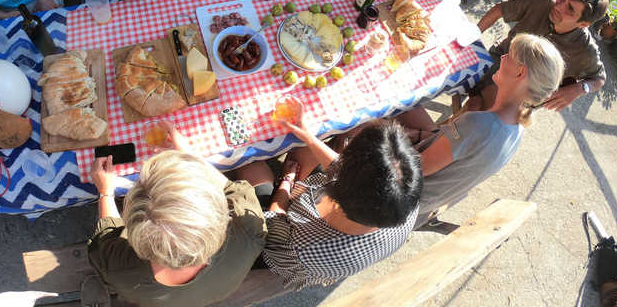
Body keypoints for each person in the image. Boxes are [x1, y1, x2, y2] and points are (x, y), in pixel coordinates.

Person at [234, 99, 423, 290]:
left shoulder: (301, 246)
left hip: (277, 245)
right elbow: (342, 168)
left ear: (339, 187)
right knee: (305, 149)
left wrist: (286, 180)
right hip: (315, 229)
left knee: (249, 161)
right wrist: (307, 135)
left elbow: (274, 220)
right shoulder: (405, 195)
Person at [87, 120, 267, 307]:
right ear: (219, 212)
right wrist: (191, 158)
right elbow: (233, 190)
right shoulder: (248, 228)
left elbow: (106, 236)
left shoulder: (120, 270)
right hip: (220, 287)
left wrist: (105, 191)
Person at [397, 33, 565, 227]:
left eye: (509, 55)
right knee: (403, 102)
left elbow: (417, 168)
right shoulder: (515, 128)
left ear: (520, 74)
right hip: (426, 201)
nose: (502, 58)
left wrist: (389, 133)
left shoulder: (480, 124)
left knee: (367, 123)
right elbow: (458, 152)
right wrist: (417, 134)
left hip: (403, 196)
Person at [467, 0, 608, 112]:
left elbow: (599, 78)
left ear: (583, 24)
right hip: (503, 59)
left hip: (526, 93)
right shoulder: (543, 1)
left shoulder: (584, 49)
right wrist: (469, 40)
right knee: (492, 109)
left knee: (478, 107)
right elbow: (499, 10)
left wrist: (580, 88)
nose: (558, 6)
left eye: (570, 9)